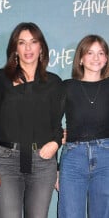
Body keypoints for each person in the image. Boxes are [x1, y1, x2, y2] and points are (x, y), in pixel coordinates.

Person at [0, 22, 64, 218]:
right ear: (15, 49)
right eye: (22, 42)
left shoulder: (54, 83)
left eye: (33, 42)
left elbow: (56, 125)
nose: (28, 48)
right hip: (5, 162)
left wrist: (55, 143)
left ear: (41, 48)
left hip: (42, 162)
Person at [58, 35, 109, 218]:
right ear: (80, 58)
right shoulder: (67, 86)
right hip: (73, 158)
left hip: (106, 158)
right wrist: (56, 168)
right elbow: (52, 122)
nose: (96, 58)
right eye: (90, 52)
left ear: (106, 59)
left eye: (101, 53)